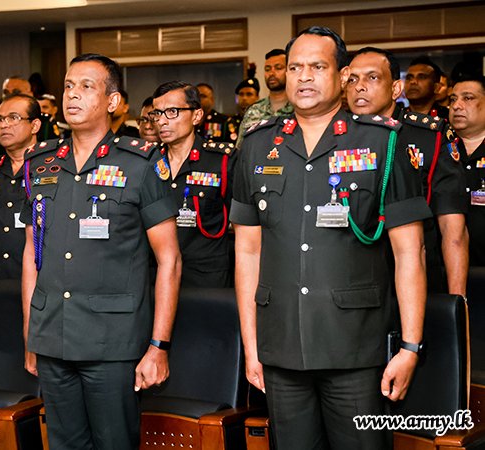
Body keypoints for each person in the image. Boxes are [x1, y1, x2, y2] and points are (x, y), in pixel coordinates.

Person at [232, 27, 430, 450]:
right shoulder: (257, 144)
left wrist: (410, 347)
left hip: (356, 349)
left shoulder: (382, 141)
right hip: (281, 347)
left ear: (342, 77)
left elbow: (410, 252)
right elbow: (247, 250)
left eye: (317, 66)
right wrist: (251, 346)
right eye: (294, 68)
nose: (303, 76)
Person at [21, 53, 181, 450]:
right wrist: (30, 333)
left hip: (112, 340)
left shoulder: (140, 163)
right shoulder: (40, 162)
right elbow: (31, 255)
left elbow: (170, 260)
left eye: (86, 87)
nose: (72, 95)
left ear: (113, 101)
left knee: (114, 441)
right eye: (68, 86)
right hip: (51, 335)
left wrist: (158, 346)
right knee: (63, 443)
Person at [347, 47, 468, 295]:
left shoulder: (429, 136)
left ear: (395, 89)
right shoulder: (335, 138)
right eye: (352, 79)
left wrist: (458, 303)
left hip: (418, 278)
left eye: (372, 77)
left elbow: (453, 230)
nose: (360, 87)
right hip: (352, 284)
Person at [151, 80, 236, 287]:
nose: (162, 121)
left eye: (172, 112)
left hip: (205, 279)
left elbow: (244, 228)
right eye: (157, 113)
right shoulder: (148, 161)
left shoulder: (222, 160)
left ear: (196, 116)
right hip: (155, 276)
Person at [0, 94, 40, 280]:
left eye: (13, 118)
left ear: (35, 126)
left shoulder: (51, 170)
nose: (4, 125)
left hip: (38, 278)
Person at [450, 75, 485, 267]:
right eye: (453, 99)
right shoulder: (439, 150)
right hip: (445, 267)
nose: (456, 106)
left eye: (468, 98)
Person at [236, 49, 294, 147]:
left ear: (290, 71)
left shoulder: (299, 109)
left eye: (278, 68)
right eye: (267, 69)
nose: (271, 73)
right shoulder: (253, 110)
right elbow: (241, 149)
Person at [2, 76, 59, 142]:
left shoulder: (44, 124)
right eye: (6, 93)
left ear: (30, 95)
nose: (10, 96)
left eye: (16, 93)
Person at [224, 75, 260, 143]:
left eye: (249, 94)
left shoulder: (263, 119)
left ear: (257, 97)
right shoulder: (231, 121)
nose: (244, 98)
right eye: (241, 94)